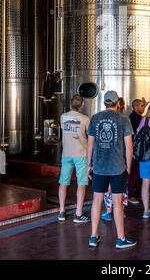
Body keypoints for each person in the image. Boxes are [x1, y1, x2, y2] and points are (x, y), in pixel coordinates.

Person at [87, 90, 137, 249]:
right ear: (118, 103)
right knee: (117, 204)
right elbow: (129, 147)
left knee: (97, 201)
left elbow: (90, 144)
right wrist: (128, 167)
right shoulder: (124, 119)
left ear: (104, 103)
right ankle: (120, 239)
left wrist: (89, 164)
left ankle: (93, 237)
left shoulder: (95, 118)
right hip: (117, 168)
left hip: (99, 167)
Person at [58, 95, 90, 223]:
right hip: (81, 154)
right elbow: (89, 136)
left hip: (66, 154)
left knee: (63, 183)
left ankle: (61, 212)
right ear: (81, 105)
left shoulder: (63, 117)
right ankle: (78, 213)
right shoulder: (85, 119)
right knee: (81, 183)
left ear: (71, 104)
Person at [127, 98, 147, 205]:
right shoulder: (134, 118)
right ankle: (131, 195)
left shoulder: (138, 117)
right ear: (135, 107)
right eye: (141, 106)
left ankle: (138, 194)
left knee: (139, 173)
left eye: (143, 106)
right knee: (135, 173)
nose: (143, 108)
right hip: (136, 150)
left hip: (139, 150)